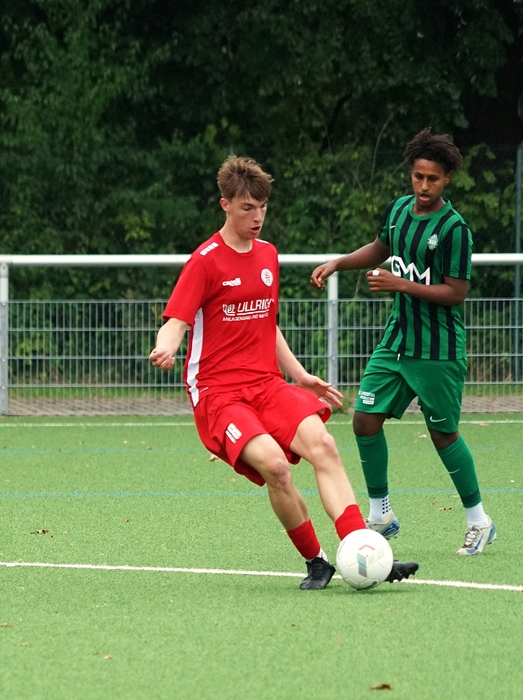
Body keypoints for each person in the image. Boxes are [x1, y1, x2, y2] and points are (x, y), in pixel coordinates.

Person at [150, 155, 418, 589]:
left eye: (262, 207)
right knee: (276, 467)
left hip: (266, 384)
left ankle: (361, 549)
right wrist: (166, 347)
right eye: (247, 208)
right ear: (225, 205)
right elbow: (177, 321)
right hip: (218, 394)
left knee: (324, 445)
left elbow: (267, 323)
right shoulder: (205, 261)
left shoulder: (268, 255)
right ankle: (316, 561)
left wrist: (300, 374)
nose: (257, 217)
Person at [310, 128, 495, 556]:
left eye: (433, 179)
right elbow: (380, 248)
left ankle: (478, 521)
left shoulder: (454, 229)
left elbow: (456, 293)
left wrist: (400, 284)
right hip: (396, 342)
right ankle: (381, 514)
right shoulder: (398, 210)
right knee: (364, 420)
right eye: (418, 177)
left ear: (447, 178)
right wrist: (338, 263)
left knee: (443, 435)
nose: (424, 186)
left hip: (438, 350)